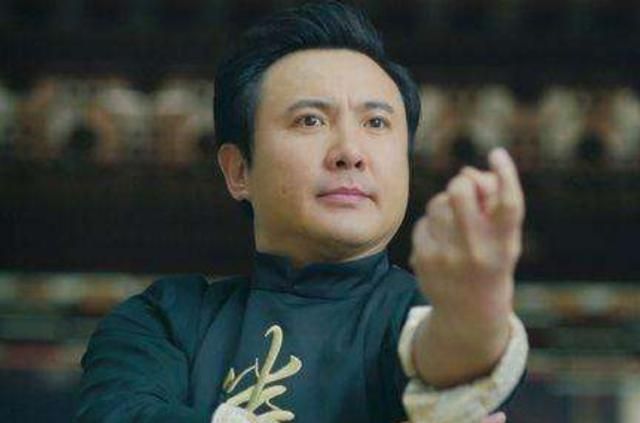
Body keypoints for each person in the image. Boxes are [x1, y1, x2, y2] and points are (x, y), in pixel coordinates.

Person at [75, 2, 528, 422]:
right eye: (310, 120)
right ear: (239, 171)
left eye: (376, 122)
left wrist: (478, 303)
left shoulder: (417, 312)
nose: (350, 152)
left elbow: (451, 353)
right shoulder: (165, 321)